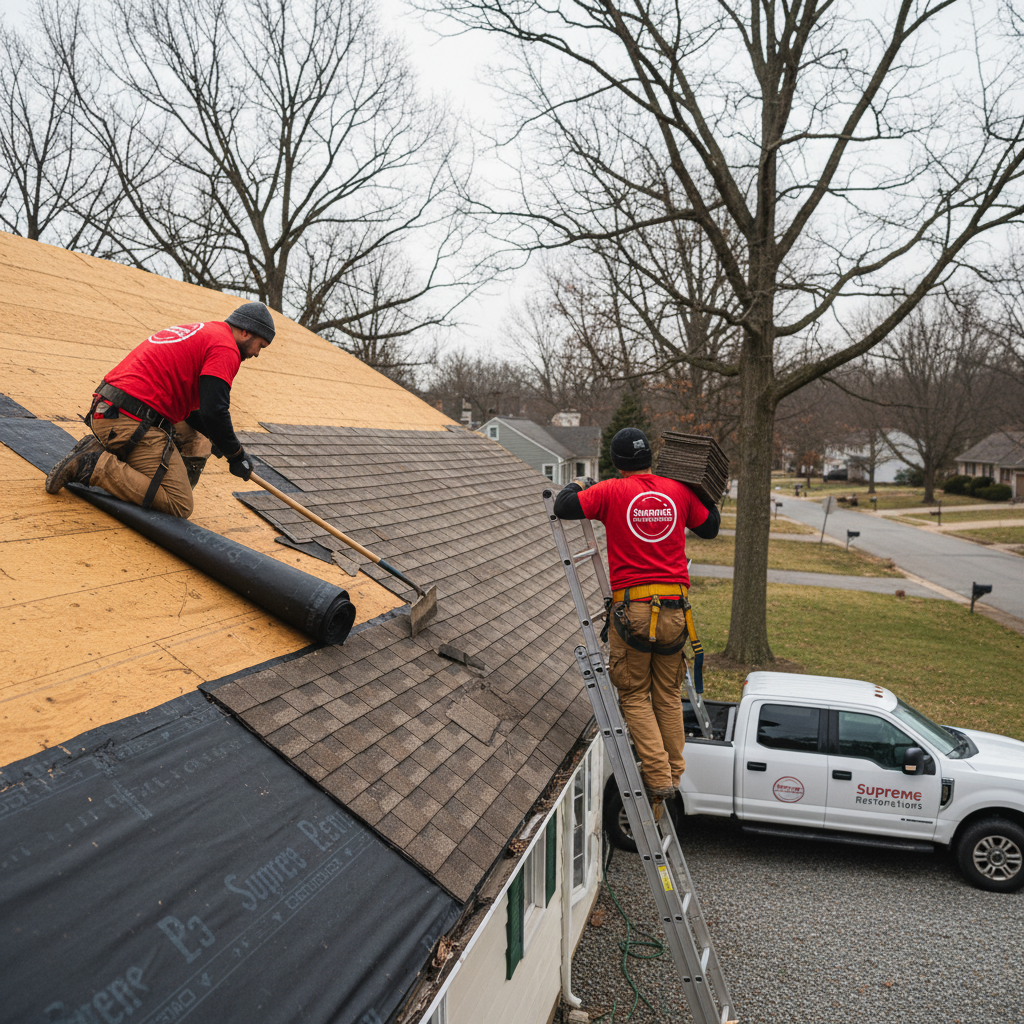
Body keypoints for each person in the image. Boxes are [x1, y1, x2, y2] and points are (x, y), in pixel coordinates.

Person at [553, 427, 720, 800]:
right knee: (666, 694)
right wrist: (702, 492)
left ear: (618, 463)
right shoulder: (678, 492)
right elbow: (710, 527)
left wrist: (580, 482)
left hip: (635, 613)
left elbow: (563, 506)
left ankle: (659, 776)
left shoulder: (611, 491)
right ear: (649, 459)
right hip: (676, 612)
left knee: (633, 694)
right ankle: (674, 775)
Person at [45, 303, 274, 517]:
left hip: (107, 410)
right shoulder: (226, 348)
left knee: (200, 438)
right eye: (260, 346)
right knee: (179, 503)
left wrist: (221, 442)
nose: (256, 354)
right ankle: (95, 465)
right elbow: (214, 411)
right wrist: (237, 456)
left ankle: (123, 457)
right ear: (246, 332)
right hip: (130, 420)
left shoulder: (206, 332)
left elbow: (197, 413)